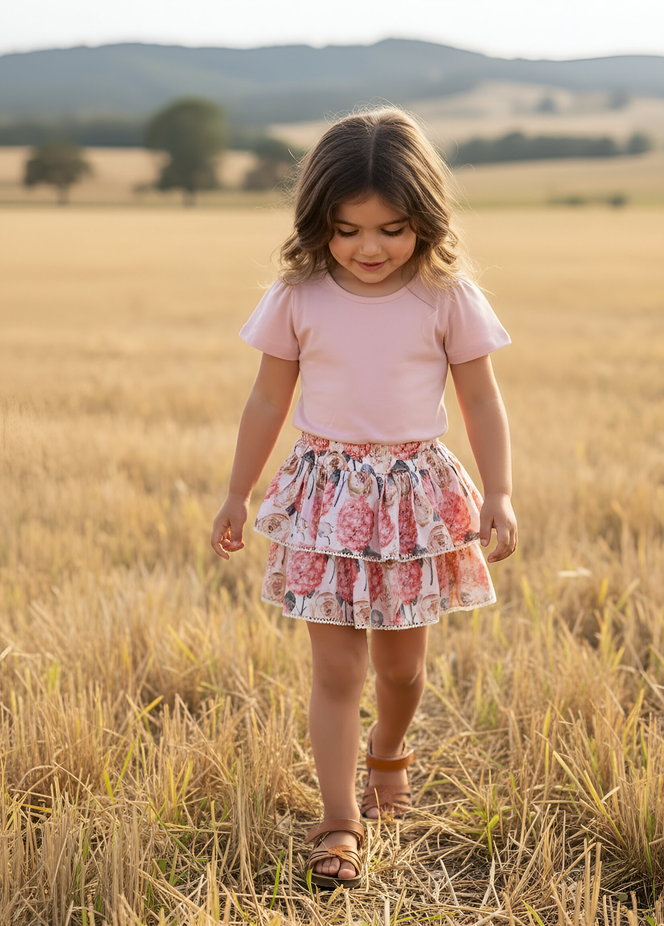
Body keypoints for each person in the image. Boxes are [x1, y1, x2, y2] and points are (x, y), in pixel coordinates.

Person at [210, 108, 517, 890]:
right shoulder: (299, 294)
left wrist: (501, 492)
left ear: (426, 220)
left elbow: (482, 402)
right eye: (347, 230)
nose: (369, 248)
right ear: (319, 221)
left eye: (392, 228)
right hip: (325, 496)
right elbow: (265, 401)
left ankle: (391, 754)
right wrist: (238, 493)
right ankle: (339, 820)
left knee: (403, 673)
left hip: (415, 501)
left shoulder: (447, 295)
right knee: (337, 670)